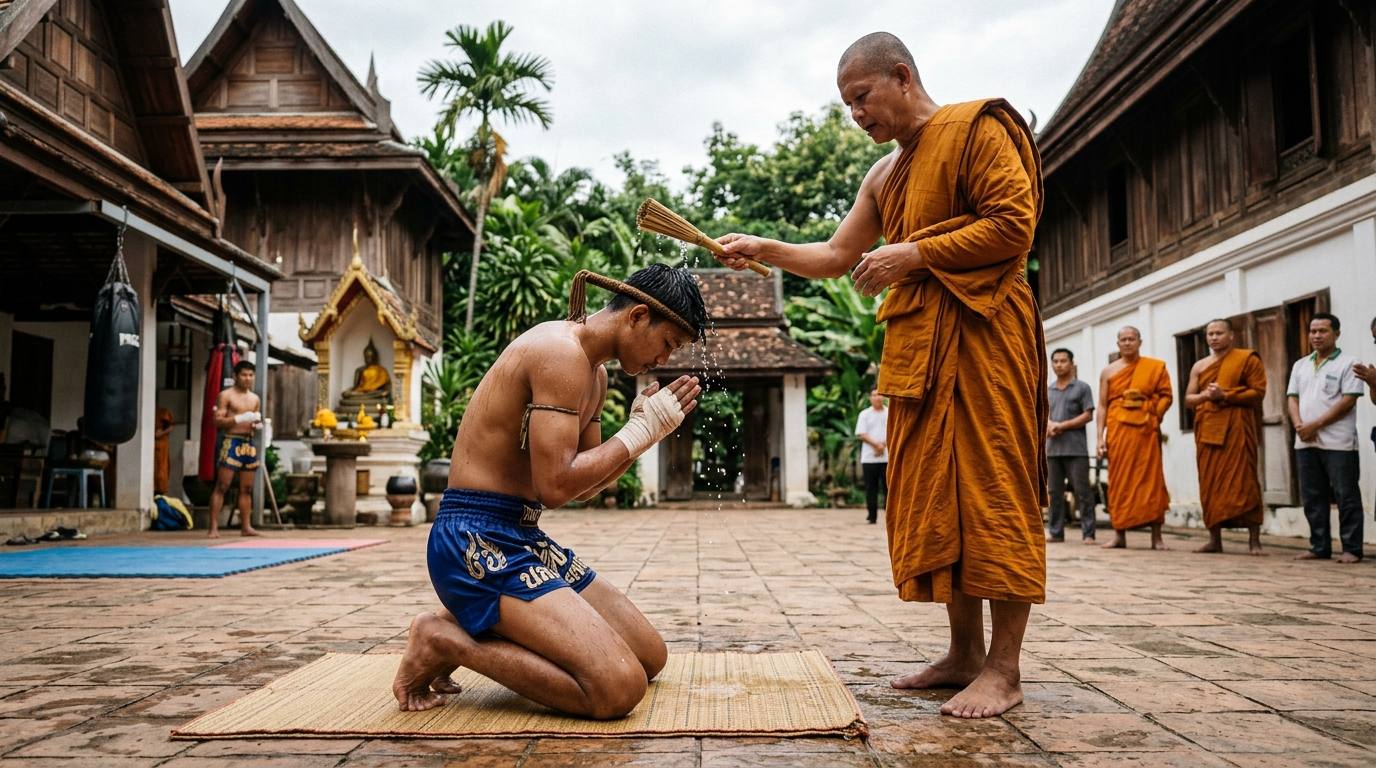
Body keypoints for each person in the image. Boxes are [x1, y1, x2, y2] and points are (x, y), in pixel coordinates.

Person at [716, 32, 1045, 719]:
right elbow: (839, 254)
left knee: (992, 488)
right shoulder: (884, 174)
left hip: (985, 332)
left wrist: (914, 255)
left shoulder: (977, 128)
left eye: (862, 98)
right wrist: (764, 247)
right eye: (847, 105)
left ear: (901, 77)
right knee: (940, 496)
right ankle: (962, 654)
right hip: (920, 347)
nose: (856, 116)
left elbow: (1014, 226)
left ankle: (1005, 669)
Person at [391, 264, 706, 719]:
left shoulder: (594, 375)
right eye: (668, 343)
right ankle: (443, 639)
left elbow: (587, 487)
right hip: (472, 541)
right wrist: (639, 431)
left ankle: (472, 622)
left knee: (649, 656)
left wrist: (644, 436)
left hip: (523, 535)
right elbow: (556, 486)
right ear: (638, 316)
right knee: (618, 689)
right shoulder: (560, 354)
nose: (665, 358)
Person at [1183, 319, 1267, 555]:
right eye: (1210, 333)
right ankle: (1214, 539)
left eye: (1219, 333)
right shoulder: (1200, 366)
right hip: (1209, 429)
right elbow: (1188, 399)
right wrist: (1207, 397)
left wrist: (1225, 395)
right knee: (1211, 483)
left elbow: (1257, 393)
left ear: (1231, 335)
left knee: (1245, 481)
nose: (1214, 338)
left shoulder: (1247, 359)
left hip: (1237, 427)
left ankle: (1254, 540)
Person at [1288, 313, 1365, 563]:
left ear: (1337, 334)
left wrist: (1316, 425)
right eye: (1313, 331)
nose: (1317, 336)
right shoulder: (1301, 365)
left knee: (1345, 494)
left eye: (1323, 331)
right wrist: (1299, 424)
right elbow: (1292, 398)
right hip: (1305, 441)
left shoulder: (1349, 363)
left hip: (1339, 442)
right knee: (1312, 496)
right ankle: (1319, 546)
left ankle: (1351, 548)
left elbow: (1348, 400)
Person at [1097, 327, 1172, 550]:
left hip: (1146, 431)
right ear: (1117, 343)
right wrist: (1100, 438)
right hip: (1119, 431)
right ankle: (1119, 534)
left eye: (1132, 339)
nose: (1127, 343)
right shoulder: (1108, 372)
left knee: (1152, 480)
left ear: (1140, 341)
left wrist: (1153, 415)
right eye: (1123, 339)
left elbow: (1166, 395)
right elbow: (1102, 406)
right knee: (1119, 481)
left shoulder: (1155, 367)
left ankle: (1156, 537)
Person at [1045, 349, 1096, 543]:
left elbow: (1088, 414)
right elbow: (1040, 414)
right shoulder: (1048, 390)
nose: (1059, 365)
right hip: (1053, 451)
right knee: (1054, 494)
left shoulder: (1082, 388)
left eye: (1063, 361)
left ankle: (1088, 533)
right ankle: (1056, 532)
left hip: (1076, 450)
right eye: (1055, 361)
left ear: (1072, 363)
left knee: (1083, 492)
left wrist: (1062, 425)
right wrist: (1048, 425)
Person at [208, 361, 262, 538]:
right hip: (231, 440)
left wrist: (257, 424)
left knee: (246, 488)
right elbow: (217, 421)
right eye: (244, 375)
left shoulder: (255, 399)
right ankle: (213, 527)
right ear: (236, 376)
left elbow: (254, 422)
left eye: (251, 375)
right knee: (222, 485)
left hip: (248, 443)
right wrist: (238, 419)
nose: (248, 378)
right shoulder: (226, 395)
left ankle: (246, 526)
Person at [855, 388, 888, 524]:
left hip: (887, 457)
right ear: (870, 397)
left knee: (888, 487)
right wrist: (877, 445)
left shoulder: (889, 413)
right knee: (871, 487)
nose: (877, 398)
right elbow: (861, 433)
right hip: (869, 457)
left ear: (883, 397)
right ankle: (872, 515)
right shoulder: (864, 414)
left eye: (879, 394)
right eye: (874, 395)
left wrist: (883, 445)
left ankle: (889, 516)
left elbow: (894, 431)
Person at [153, 406, 174, 495]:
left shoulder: (163, 412)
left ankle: (160, 492)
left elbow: (170, 427)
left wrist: (161, 433)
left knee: (161, 472)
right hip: (152, 446)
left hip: (161, 447)